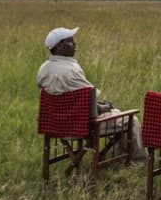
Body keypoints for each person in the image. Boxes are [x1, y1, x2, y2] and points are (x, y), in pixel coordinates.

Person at [37, 26, 144, 159]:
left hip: (54, 123)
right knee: (130, 119)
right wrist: (105, 107)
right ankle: (135, 159)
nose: (75, 44)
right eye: (70, 41)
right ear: (58, 46)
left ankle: (119, 155)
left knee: (116, 114)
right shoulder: (72, 71)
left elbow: (70, 98)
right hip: (80, 125)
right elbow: (90, 104)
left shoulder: (43, 68)